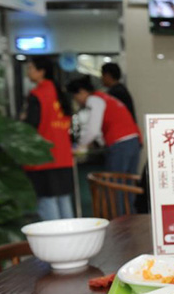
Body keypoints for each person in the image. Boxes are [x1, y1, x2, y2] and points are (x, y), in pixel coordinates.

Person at [22, 56, 75, 221]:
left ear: (41, 71)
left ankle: (56, 244)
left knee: (46, 200)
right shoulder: (60, 93)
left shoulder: (37, 94)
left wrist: (23, 120)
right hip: (63, 156)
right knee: (63, 199)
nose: (28, 71)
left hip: (43, 156)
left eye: (31, 68)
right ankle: (72, 240)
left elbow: (31, 127)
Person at [67, 75, 142, 176]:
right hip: (133, 141)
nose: (76, 101)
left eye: (75, 97)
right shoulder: (105, 98)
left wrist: (80, 145)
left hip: (120, 143)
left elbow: (93, 130)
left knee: (114, 183)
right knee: (129, 183)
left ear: (82, 92)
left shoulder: (94, 100)